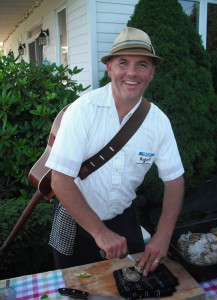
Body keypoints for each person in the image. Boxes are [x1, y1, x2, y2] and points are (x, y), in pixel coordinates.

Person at [45, 27, 185, 276]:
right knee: (76, 288)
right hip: (74, 220)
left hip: (124, 221)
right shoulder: (82, 111)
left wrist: (163, 236)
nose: (131, 73)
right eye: (123, 63)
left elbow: (174, 181)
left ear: (152, 73)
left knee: (131, 285)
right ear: (109, 68)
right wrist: (99, 232)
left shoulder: (159, 122)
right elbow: (60, 180)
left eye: (142, 64)